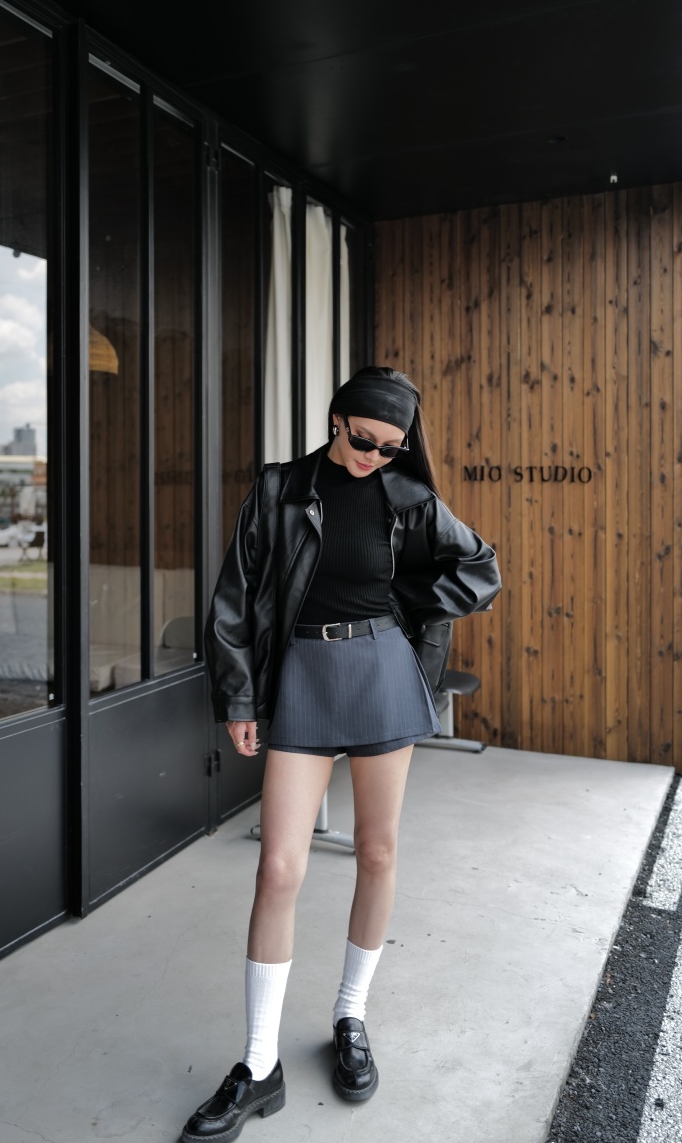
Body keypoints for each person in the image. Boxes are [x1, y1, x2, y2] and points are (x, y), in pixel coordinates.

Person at [180, 367, 500, 1143]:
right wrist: (239, 699)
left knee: (378, 852)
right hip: (302, 677)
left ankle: (350, 1016)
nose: (373, 456)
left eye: (390, 448)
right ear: (336, 419)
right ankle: (259, 1064)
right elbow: (235, 597)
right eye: (363, 439)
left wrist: (404, 603)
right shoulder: (281, 490)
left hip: (382, 670)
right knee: (278, 867)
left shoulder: (409, 499)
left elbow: (481, 569)